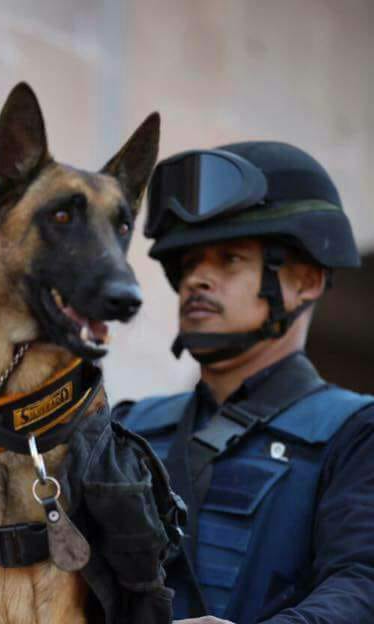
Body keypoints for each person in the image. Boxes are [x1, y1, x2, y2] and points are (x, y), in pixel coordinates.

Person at [115, 141, 374, 624]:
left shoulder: (356, 433)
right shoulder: (128, 427)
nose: (198, 280)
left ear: (306, 281)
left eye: (230, 259)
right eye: (190, 263)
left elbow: (363, 583)